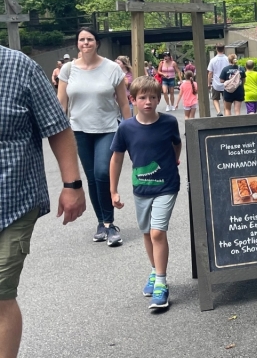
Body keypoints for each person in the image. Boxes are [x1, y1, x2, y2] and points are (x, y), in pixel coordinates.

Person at [0, 45, 87, 358]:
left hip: (12, 200)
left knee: (0, 294)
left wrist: (72, 185)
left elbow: (58, 128)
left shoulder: (19, 67)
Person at [109, 76, 182, 311]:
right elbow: (117, 157)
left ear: (159, 99)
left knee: (158, 233)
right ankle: (154, 270)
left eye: (153, 97)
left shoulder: (169, 122)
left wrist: (175, 159)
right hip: (141, 188)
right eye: (142, 97)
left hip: (167, 186)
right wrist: (113, 190)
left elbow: (176, 144)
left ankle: (161, 283)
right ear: (133, 100)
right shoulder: (126, 127)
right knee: (147, 233)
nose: (148, 102)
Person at [57, 27, 131, 247]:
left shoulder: (112, 69)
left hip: (107, 129)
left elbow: (123, 102)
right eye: (81, 39)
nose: (86, 43)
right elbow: (61, 104)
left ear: (97, 42)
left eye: (90, 39)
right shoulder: (68, 70)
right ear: (77, 44)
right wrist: (57, 131)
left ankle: (110, 224)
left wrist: (131, 129)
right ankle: (102, 222)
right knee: (90, 178)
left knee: (101, 173)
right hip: (78, 130)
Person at [207, 44, 229, 117]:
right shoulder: (227, 59)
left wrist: (209, 83)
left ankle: (218, 111)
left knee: (215, 98)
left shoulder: (213, 60)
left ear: (216, 49)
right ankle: (226, 110)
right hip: (226, 82)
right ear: (224, 49)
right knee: (225, 98)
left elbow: (210, 72)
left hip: (216, 83)